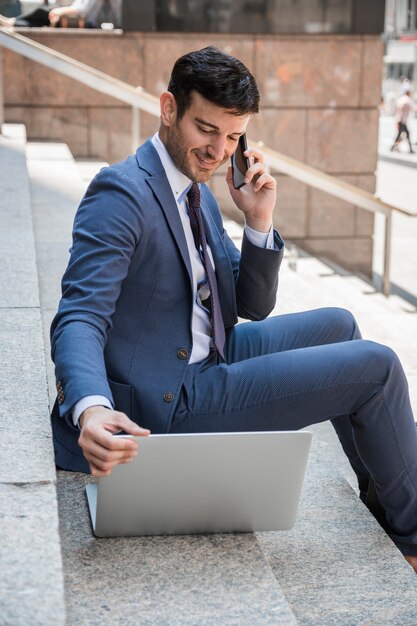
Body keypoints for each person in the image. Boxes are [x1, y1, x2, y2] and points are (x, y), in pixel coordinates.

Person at [50, 46, 417, 572]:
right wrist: (92, 407)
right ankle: (413, 537)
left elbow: (251, 306)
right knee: (377, 367)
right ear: (169, 108)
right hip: (167, 400)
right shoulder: (123, 193)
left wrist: (257, 221)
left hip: (206, 352)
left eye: (233, 136)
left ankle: (383, 498)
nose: (219, 150)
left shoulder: (193, 191)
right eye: (207, 130)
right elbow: (79, 314)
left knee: (341, 324)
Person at [0, 0, 121, 28]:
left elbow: (82, 9)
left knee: (41, 12)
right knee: (36, 23)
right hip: (69, 19)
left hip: (80, 24)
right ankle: (11, 23)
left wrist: (59, 11)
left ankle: (10, 21)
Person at [391, 90, 417, 154]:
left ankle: (393, 147)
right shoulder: (407, 100)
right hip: (403, 120)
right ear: (408, 93)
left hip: (398, 119)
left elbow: (396, 107)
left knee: (401, 134)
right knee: (406, 134)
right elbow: (414, 108)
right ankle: (410, 149)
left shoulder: (401, 99)